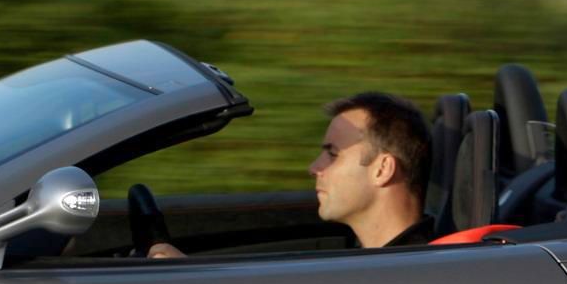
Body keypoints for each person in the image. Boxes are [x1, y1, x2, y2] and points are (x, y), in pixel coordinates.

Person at [146, 91, 435, 258]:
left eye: (332, 153)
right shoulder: (373, 264)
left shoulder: (405, 281)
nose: (314, 168)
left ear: (382, 170)